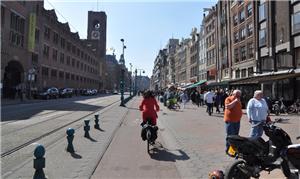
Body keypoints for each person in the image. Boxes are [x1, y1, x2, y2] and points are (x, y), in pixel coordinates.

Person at [224, 89, 242, 154]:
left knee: (236, 136)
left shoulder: (239, 100)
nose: (238, 97)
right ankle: (228, 149)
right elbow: (227, 107)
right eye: (237, 95)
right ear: (233, 94)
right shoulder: (228, 99)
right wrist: (235, 101)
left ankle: (234, 149)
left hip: (237, 121)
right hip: (230, 121)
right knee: (230, 136)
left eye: (239, 96)